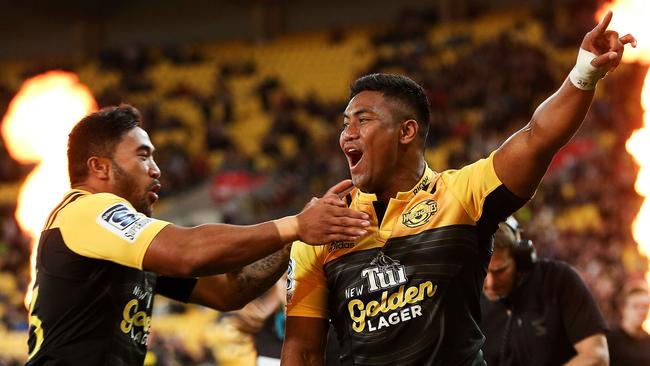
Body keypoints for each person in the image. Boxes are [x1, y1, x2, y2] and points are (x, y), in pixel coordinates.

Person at [281, 11, 635, 366]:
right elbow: (303, 351)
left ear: (406, 132)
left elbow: (536, 138)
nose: (348, 134)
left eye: (363, 121)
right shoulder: (322, 227)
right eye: (345, 124)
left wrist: (584, 73)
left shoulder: (461, 194)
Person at [25, 104, 371, 365]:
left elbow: (229, 290)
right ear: (99, 166)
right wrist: (294, 224)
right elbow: (187, 251)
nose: (156, 169)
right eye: (143, 156)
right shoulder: (87, 210)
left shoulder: (117, 244)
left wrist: (299, 236)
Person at [480, 217, 608, 365]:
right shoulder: (467, 298)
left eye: (500, 271)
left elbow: (596, 357)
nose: (491, 283)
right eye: (483, 272)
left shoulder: (559, 280)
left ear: (521, 258)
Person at [607, 282, 650, 365]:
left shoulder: (648, 341)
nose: (641, 311)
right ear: (623, 308)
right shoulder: (610, 339)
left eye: (645, 306)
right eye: (636, 306)